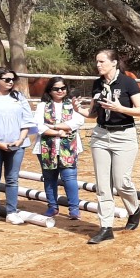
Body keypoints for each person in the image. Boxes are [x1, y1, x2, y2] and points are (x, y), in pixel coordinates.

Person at [75, 49, 140, 244]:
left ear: (114, 63)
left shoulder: (128, 82)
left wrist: (120, 108)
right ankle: (105, 227)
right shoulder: (97, 84)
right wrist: (78, 110)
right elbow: (93, 114)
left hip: (124, 136)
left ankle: (135, 209)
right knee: (103, 185)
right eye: (97, 62)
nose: (98, 65)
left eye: (102, 61)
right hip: (100, 135)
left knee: (121, 182)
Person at [33, 76, 85, 220]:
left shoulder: (72, 105)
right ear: (50, 90)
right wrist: (57, 132)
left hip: (69, 146)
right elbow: (38, 125)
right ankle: (52, 206)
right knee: (49, 177)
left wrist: (55, 126)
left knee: (69, 177)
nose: (60, 91)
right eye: (56, 89)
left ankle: (74, 208)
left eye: (63, 88)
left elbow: (78, 121)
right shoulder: (42, 106)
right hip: (46, 147)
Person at [0, 67, 35, 225]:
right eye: (7, 79)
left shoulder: (19, 97)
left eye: (12, 79)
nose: (11, 82)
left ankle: (11, 212)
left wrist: (20, 140)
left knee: (12, 179)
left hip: (17, 145)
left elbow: (27, 120)